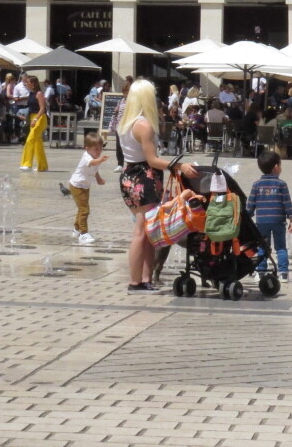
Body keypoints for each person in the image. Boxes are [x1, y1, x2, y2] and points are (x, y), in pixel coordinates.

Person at [119, 79, 199, 293]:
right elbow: (152, 160)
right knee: (141, 231)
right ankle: (135, 281)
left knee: (147, 230)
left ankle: (145, 279)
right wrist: (180, 166)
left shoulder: (127, 123)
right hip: (143, 176)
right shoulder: (143, 125)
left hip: (131, 175)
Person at [247, 149, 292, 280]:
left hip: (261, 222)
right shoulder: (281, 184)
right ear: (276, 167)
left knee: (262, 247)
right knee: (281, 247)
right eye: (280, 165)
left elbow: (250, 204)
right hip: (278, 221)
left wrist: (248, 217)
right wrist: (291, 219)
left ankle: (261, 271)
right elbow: (287, 203)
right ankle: (283, 273)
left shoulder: (256, 185)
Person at [61, 130, 109, 245]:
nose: (99, 151)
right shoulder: (87, 157)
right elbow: (92, 163)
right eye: (95, 149)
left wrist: (99, 179)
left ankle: (76, 229)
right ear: (86, 148)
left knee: (81, 208)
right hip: (77, 185)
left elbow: (95, 170)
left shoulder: (95, 158)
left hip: (85, 186)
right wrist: (100, 160)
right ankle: (83, 233)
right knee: (84, 210)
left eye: (100, 148)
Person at [18, 74, 48, 172]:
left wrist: (36, 119)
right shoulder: (31, 93)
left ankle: (27, 164)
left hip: (39, 118)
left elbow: (42, 108)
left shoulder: (39, 94)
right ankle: (42, 166)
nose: (26, 84)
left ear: (33, 84)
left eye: (28, 82)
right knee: (37, 142)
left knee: (30, 140)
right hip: (32, 117)